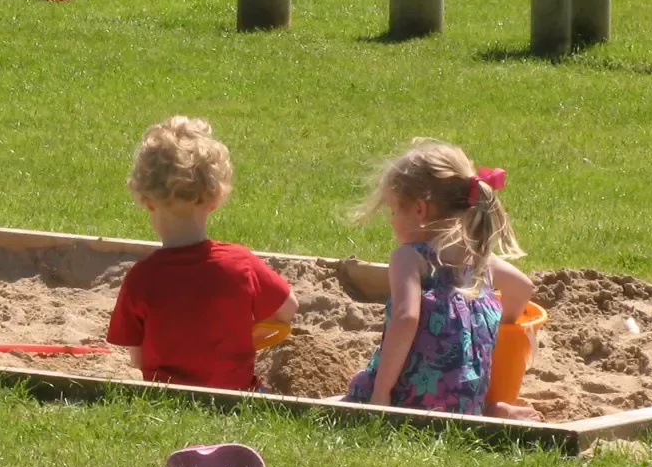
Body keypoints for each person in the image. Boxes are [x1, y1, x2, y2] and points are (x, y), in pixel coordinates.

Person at [344, 138, 538, 419]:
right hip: (465, 402)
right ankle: (491, 408)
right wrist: (497, 325)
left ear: (420, 209)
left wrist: (381, 392)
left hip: (412, 400)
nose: (391, 219)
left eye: (394, 209)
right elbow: (523, 288)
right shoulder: (480, 259)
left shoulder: (409, 258)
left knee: (354, 396)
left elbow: (406, 318)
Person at [107, 117, 297, 391]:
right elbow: (288, 309)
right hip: (237, 397)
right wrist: (247, 333)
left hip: (168, 400)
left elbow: (137, 359)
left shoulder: (141, 279)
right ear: (215, 199)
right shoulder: (240, 264)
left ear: (146, 201)